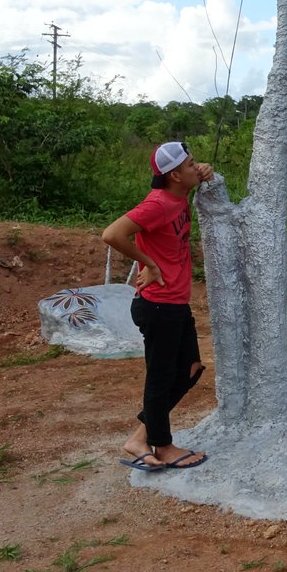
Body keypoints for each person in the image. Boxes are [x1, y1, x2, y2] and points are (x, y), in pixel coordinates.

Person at [102, 141, 214, 472]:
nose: (197, 167)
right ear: (175, 174)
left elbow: (199, 174)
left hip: (175, 304)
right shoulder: (159, 204)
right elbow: (112, 234)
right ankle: (162, 446)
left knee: (190, 369)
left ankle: (139, 437)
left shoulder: (178, 195)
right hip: (159, 306)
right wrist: (147, 263)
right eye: (191, 164)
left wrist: (205, 172)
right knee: (161, 378)